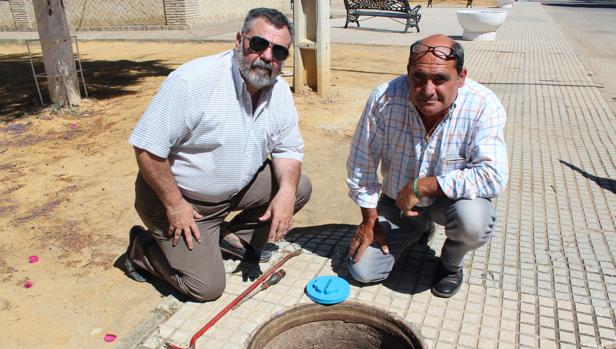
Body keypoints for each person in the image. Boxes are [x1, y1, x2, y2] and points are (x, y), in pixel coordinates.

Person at [124, 8, 312, 302]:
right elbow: (148, 148)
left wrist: (285, 192)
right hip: (179, 201)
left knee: (298, 188)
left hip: (231, 194)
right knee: (207, 287)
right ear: (240, 40)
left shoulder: (279, 93)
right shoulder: (194, 81)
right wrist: (175, 205)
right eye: (259, 44)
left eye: (279, 51)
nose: (267, 57)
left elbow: (287, 148)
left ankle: (220, 238)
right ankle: (141, 250)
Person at [346, 34, 508, 298]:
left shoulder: (483, 105)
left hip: (450, 203)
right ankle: (416, 228)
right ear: (408, 73)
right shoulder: (384, 98)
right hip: (397, 201)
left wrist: (423, 186)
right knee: (363, 271)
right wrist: (369, 219)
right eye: (418, 78)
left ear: (462, 76)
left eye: (440, 79)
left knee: (474, 222)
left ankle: (450, 265)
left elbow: (493, 175)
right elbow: (360, 163)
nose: (428, 90)